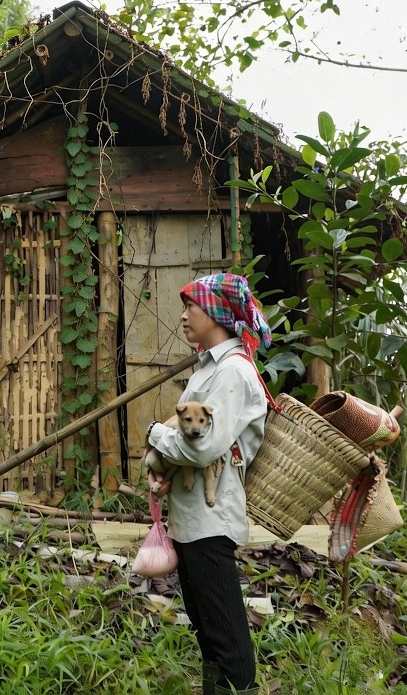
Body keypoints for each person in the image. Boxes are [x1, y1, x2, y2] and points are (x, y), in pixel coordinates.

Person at [144, 273, 273, 695]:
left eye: (191, 307)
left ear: (215, 312)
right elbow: (194, 445)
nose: (183, 316)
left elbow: (201, 449)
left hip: (210, 520)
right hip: (192, 516)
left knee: (227, 637)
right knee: (209, 636)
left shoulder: (233, 373)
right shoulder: (211, 368)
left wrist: (153, 434)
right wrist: (166, 469)